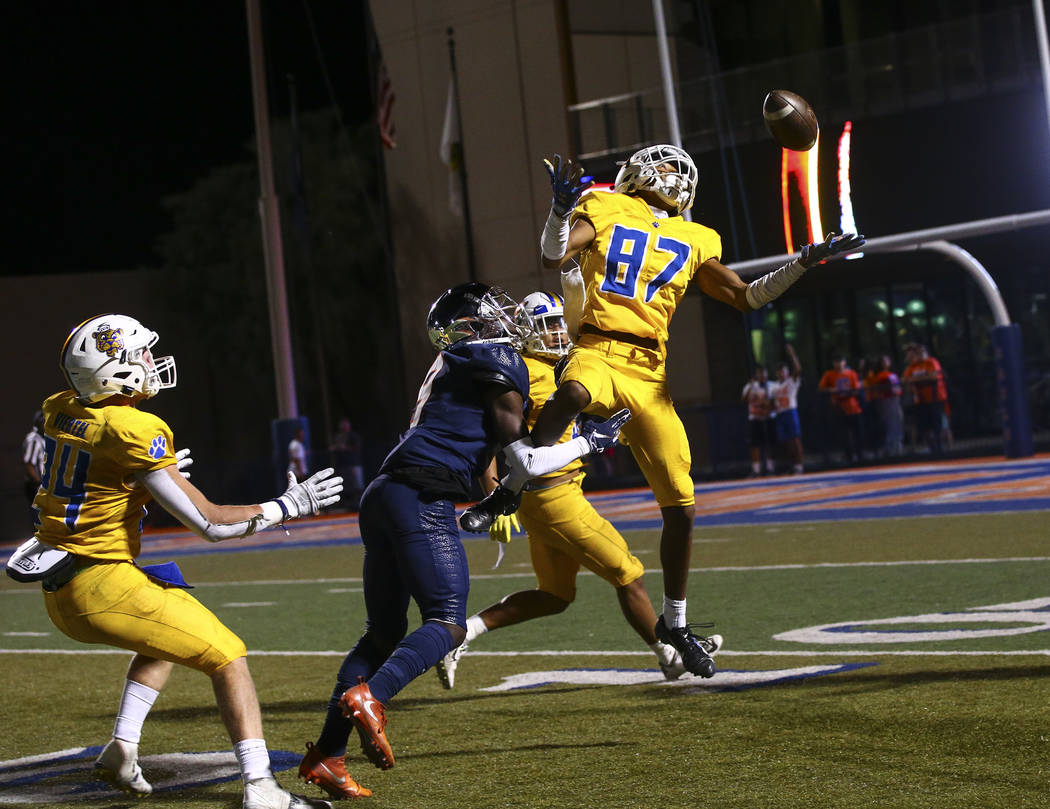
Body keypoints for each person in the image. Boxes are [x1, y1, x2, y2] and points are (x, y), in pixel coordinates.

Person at [474, 146, 862, 678]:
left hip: (649, 374)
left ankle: (677, 622)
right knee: (573, 395)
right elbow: (553, 255)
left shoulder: (697, 236)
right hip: (598, 349)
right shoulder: (605, 206)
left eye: (681, 168)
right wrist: (560, 211)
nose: (674, 175)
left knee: (681, 503)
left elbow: (746, 297)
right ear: (634, 174)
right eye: (664, 165)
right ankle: (512, 484)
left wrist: (803, 262)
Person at [298, 282, 628, 799]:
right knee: (448, 623)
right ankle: (374, 696)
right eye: (490, 311)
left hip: (385, 492)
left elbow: (486, 457)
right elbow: (524, 455)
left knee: (382, 634)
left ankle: (328, 755)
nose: (505, 314)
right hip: (419, 495)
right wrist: (592, 440)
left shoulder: (453, 364)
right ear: (470, 326)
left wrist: (496, 498)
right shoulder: (497, 357)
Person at [8, 314, 341, 809]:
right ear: (113, 370)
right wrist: (287, 507)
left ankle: (121, 748)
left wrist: (137, 478)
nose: (149, 361)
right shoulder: (134, 428)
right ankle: (261, 789)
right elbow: (212, 524)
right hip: (100, 584)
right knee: (227, 655)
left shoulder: (60, 408)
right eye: (139, 353)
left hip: (66, 582)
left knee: (171, 620)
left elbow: (92, 475)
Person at [434, 291, 720, 689]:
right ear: (526, 330)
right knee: (627, 573)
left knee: (555, 594)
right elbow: (492, 439)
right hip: (553, 497)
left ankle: (460, 634)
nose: (555, 332)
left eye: (557, 323)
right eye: (546, 325)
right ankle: (670, 657)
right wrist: (492, 492)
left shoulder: (559, 365)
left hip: (549, 496)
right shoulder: (525, 371)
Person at [903, 344, 949, 455]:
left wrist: (915, 380)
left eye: (921, 352)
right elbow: (905, 380)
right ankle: (931, 447)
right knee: (924, 426)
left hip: (936, 398)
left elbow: (933, 376)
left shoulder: (931, 362)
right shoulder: (913, 366)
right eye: (917, 353)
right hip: (921, 400)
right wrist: (921, 379)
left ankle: (940, 447)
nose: (919, 354)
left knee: (937, 424)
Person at [818, 355, 864, 464]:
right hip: (839, 408)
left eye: (840, 361)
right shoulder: (829, 374)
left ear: (844, 362)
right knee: (844, 434)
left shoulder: (852, 373)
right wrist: (832, 390)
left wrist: (846, 392)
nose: (838, 364)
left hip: (853, 408)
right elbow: (821, 388)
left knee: (857, 433)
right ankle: (848, 456)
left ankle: (860, 456)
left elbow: (856, 389)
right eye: (836, 362)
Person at [770, 343, 805, 474]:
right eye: (779, 371)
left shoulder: (791, 381)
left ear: (787, 372)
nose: (781, 373)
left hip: (790, 412)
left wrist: (792, 355)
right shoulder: (773, 386)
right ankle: (793, 466)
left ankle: (800, 466)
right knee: (786, 442)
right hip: (780, 414)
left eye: (784, 371)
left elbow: (798, 370)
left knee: (795, 440)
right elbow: (772, 401)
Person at [863, 354, 904, 457]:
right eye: (883, 360)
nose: (886, 362)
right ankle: (889, 449)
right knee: (890, 423)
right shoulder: (879, 375)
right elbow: (877, 388)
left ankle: (897, 447)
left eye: (887, 360)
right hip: (887, 400)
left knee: (898, 421)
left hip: (895, 399)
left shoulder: (891, 373)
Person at [741, 366, 776, 476]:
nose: (762, 376)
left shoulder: (772, 386)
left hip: (768, 418)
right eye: (759, 374)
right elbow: (744, 400)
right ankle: (756, 469)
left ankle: (770, 468)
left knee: (769, 443)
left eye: (763, 373)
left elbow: (775, 402)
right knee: (754, 444)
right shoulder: (751, 386)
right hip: (755, 418)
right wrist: (751, 387)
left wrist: (768, 405)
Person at [330, 417, 364, 507]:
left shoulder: (353, 436)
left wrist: (345, 448)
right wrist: (335, 448)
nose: (344, 427)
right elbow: (335, 448)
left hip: (354, 464)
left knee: (357, 485)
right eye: (342, 425)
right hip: (343, 465)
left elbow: (357, 448)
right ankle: (349, 505)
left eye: (346, 425)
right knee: (346, 487)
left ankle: (360, 504)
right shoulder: (339, 437)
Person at [21, 410, 45, 504]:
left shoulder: (44, 438)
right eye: (44, 421)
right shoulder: (34, 439)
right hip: (37, 487)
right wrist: (39, 482)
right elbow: (29, 464)